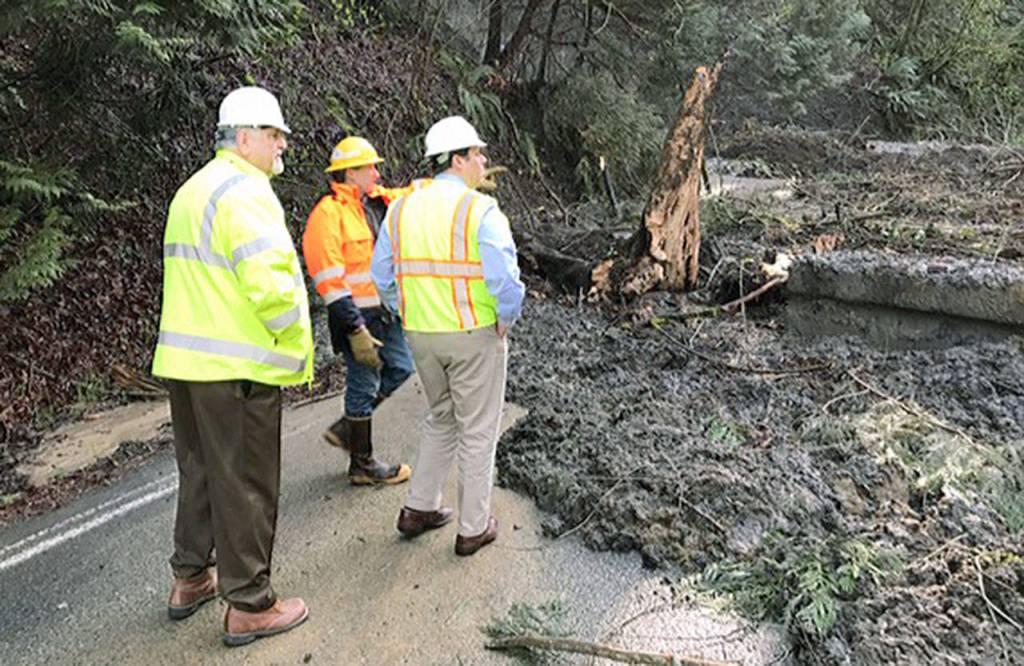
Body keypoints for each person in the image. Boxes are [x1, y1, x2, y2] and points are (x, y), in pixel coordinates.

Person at [151, 86, 312, 646]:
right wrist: (293, 336)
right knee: (246, 482)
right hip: (238, 365)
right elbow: (270, 285)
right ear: (244, 139)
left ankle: (191, 576)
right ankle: (249, 604)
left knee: (200, 470)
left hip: (187, 362)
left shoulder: (192, 190)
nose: (282, 144)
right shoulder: (247, 192)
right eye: (274, 134)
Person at [370, 116, 525, 557]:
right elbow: (505, 281)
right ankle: (473, 528)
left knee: (443, 416)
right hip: (473, 333)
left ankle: (418, 508)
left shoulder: (400, 208)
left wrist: (406, 310)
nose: (483, 161)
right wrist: (506, 319)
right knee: (478, 429)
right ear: (457, 160)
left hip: (421, 334)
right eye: (477, 154)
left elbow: (381, 275)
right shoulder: (479, 210)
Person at [301, 136, 423, 485]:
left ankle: (348, 429)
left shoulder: (379, 201)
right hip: (358, 318)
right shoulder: (328, 214)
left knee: (401, 367)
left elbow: (416, 193)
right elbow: (330, 281)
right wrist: (355, 329)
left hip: (386, 313)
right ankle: (362, 464)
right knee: (363, 384)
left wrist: (457, 183)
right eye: (369, 167)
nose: (376, 173)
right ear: (350, 173)